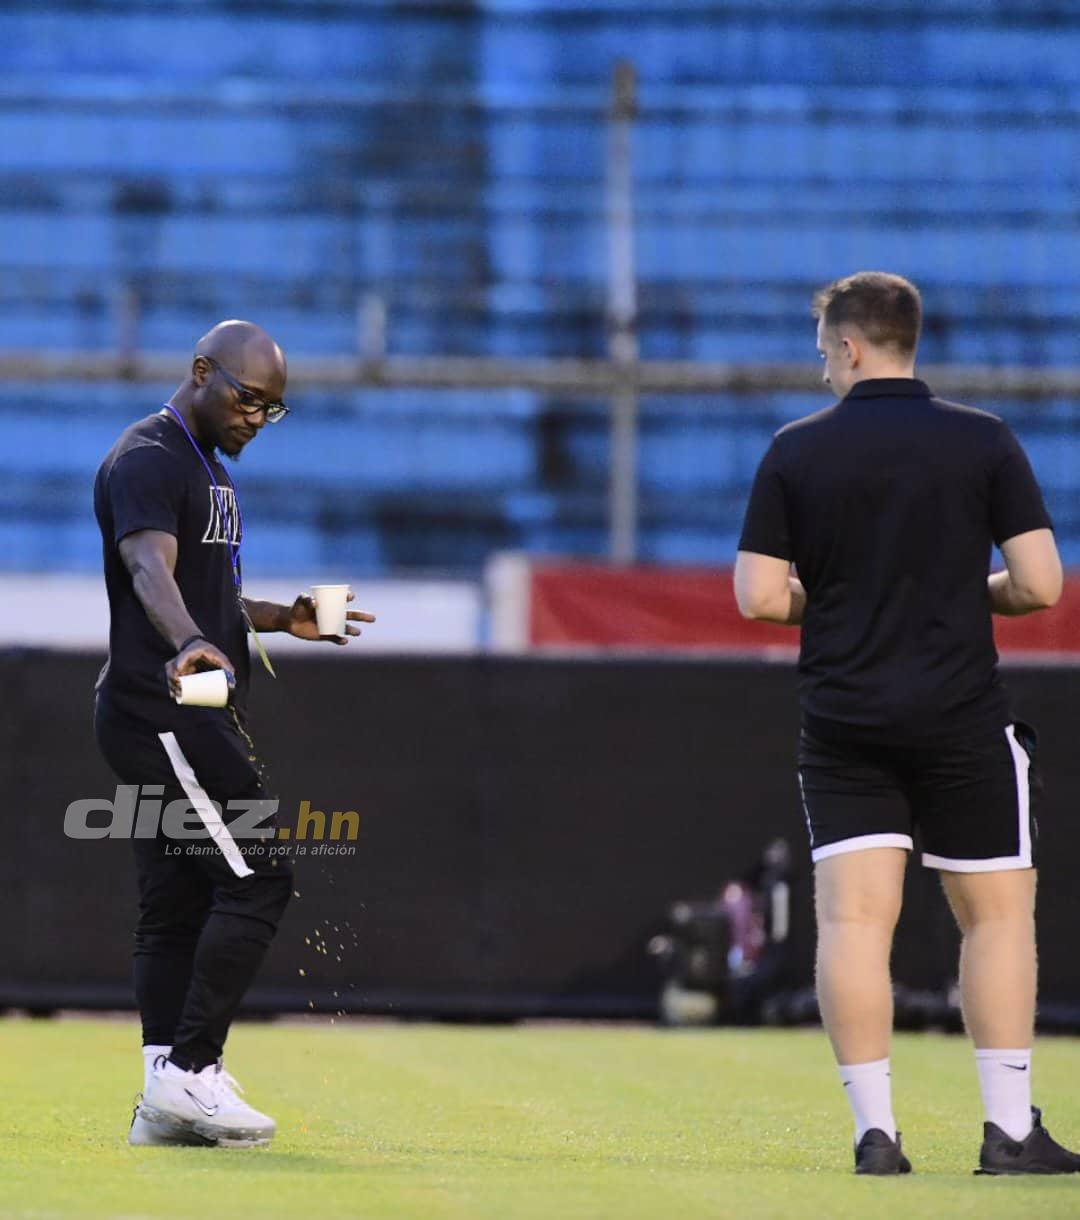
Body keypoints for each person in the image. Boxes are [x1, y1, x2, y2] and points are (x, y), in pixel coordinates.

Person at [734, 271, 1079, 1176]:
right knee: (996, 918)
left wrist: (847, 600)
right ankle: (1008, 1132)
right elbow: (1042, 585)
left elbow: (760, 596)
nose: (821, 372)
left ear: (850, 345)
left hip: (846, 720)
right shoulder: (984, 442)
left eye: (822, 354)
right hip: (962, 718)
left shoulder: (795, 451)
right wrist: (961, 593)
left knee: (854, 923)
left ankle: (875, 1137)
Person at [93, 320, 375, 1148]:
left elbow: (209, 596)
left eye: (273, 409)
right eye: (248, 398)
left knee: (173, 902)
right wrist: (186, 642)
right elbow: (150, 569)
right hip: (166, 709)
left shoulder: (207, 468)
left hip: (181, 705)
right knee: (262, 875)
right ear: (201, 373)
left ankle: (163, 1093)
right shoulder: (148, 457)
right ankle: (191, 1070)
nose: (257, 417)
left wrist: (283, 618)